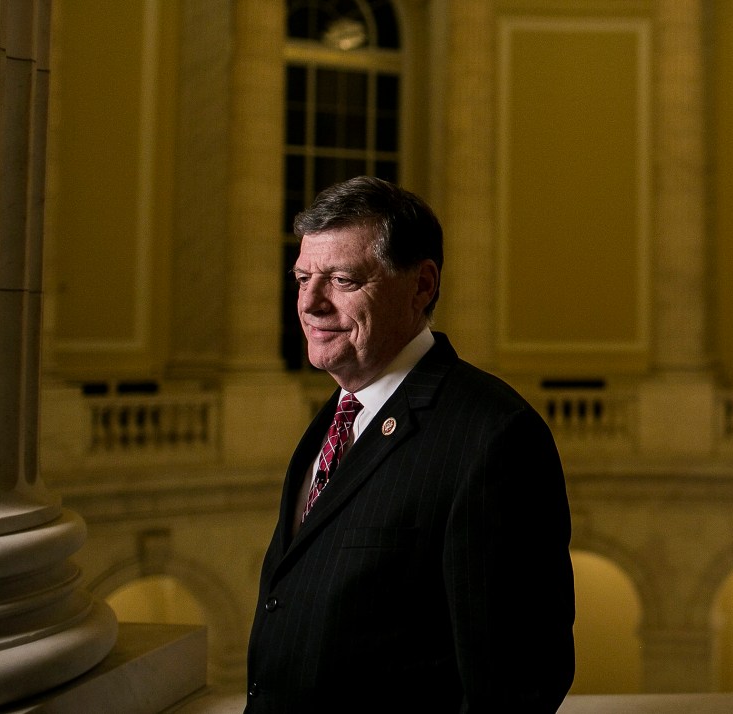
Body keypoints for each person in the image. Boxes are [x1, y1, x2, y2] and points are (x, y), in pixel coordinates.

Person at [245, 176, 575, 713]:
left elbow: (518, 684)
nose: (310, 304)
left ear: (421, 285)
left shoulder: (494, 437)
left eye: (342, 280)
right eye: (303, 278)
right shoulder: (335, 417)